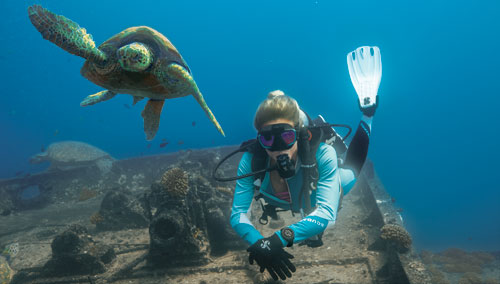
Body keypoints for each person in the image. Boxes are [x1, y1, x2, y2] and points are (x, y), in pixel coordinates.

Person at [218, 46, 381, 281]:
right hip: (287, 198)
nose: (278, 149)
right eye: (268, 139)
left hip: (319, 187)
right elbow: (238, 214)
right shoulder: (252, 160)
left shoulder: (322, 154)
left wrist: (278, 239)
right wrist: (259, 243)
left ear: (298, 134)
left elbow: (326, 212)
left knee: (351, 172)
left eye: (286, 137)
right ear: (259, 140)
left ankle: (368, 114)